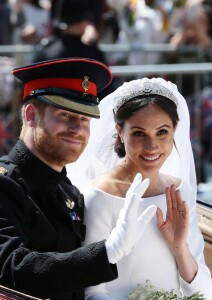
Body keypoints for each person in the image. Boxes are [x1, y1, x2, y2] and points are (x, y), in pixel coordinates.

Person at [0, 57, 157, 300]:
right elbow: (13, 271)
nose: (77, 128)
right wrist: (107, 252)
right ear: (31, 115)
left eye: (85, 119)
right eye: (65, 114)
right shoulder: (5, 185)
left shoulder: (69, 193)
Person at [67, 77, 212, 299]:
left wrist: (180, 248)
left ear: (175, 128)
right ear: (120, 131)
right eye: (138, 133)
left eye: (162, 132)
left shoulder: (179, 191)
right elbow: (92, 291)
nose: (152, 145)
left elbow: (203, 291)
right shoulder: (100, 194)